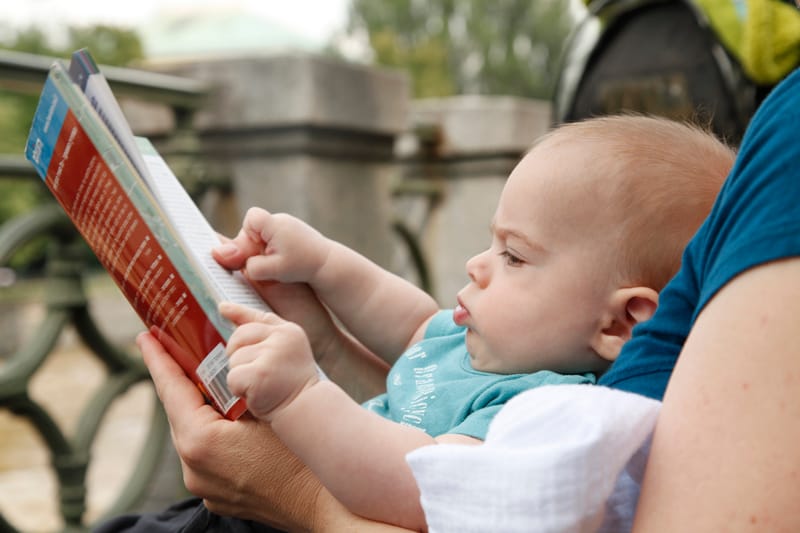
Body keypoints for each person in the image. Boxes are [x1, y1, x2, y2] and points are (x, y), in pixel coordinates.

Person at [94, 114, 735, 533]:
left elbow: (414, 483)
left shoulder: (540, 414)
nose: (478, 265)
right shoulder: (475, 344)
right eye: (492, 242)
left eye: (514, 256)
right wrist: (321, 262)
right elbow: (408, 324)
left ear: (619, 323)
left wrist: (299, 395)